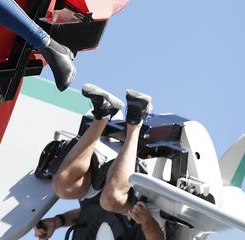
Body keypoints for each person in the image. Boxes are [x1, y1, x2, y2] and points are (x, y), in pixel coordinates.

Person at [37, 84, 164, 240]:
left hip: (95, 194)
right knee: (110, 200)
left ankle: (103, 113)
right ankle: (136, 121)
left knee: (61, 187)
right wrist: (146, 221)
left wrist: (58, 221)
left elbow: (86, 217)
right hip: (132, 202)